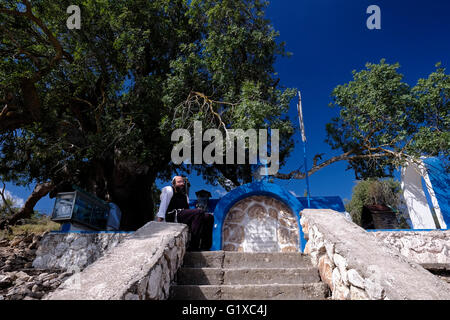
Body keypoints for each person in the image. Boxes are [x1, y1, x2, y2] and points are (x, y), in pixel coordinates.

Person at [156, 176, 214, 251]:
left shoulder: (185, 196)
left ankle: (205, 246)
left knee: (209, 217)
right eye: (179, 182)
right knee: (199, 211)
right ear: (173, 184)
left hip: (182, 216)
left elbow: (187, 211)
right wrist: (160, 218)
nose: (182, 183)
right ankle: (193, 246)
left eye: (183, 182)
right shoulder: (169, 190)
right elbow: (164, 204)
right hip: (173, 216)